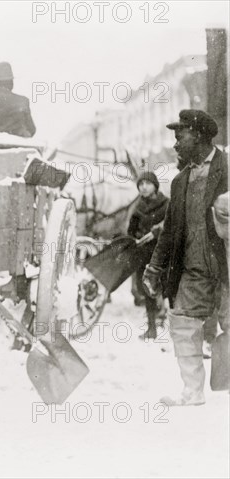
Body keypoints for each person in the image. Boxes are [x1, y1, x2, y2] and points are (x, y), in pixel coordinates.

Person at [143, 110, 228, 406]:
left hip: (227, 268)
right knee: (182, 324)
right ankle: (192, 392)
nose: (176, 143)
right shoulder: (180, 181)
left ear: (200, 136)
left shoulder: (228, 168)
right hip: (193, 269)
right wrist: (154, 268)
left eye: (181, 136)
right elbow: (169, 231)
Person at [127, 171, 169, 340]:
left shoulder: (166, 204)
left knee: (166, 288)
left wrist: (157, 233)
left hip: (164, 254)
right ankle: (151, 329)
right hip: (144, 255)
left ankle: (173, 326)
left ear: (155, 186)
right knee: (147, 290)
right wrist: (133, 240)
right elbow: (131, 231)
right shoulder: (138, 208)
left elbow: (174, 226)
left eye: (147, 183)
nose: (144, 187)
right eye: (141, 184)